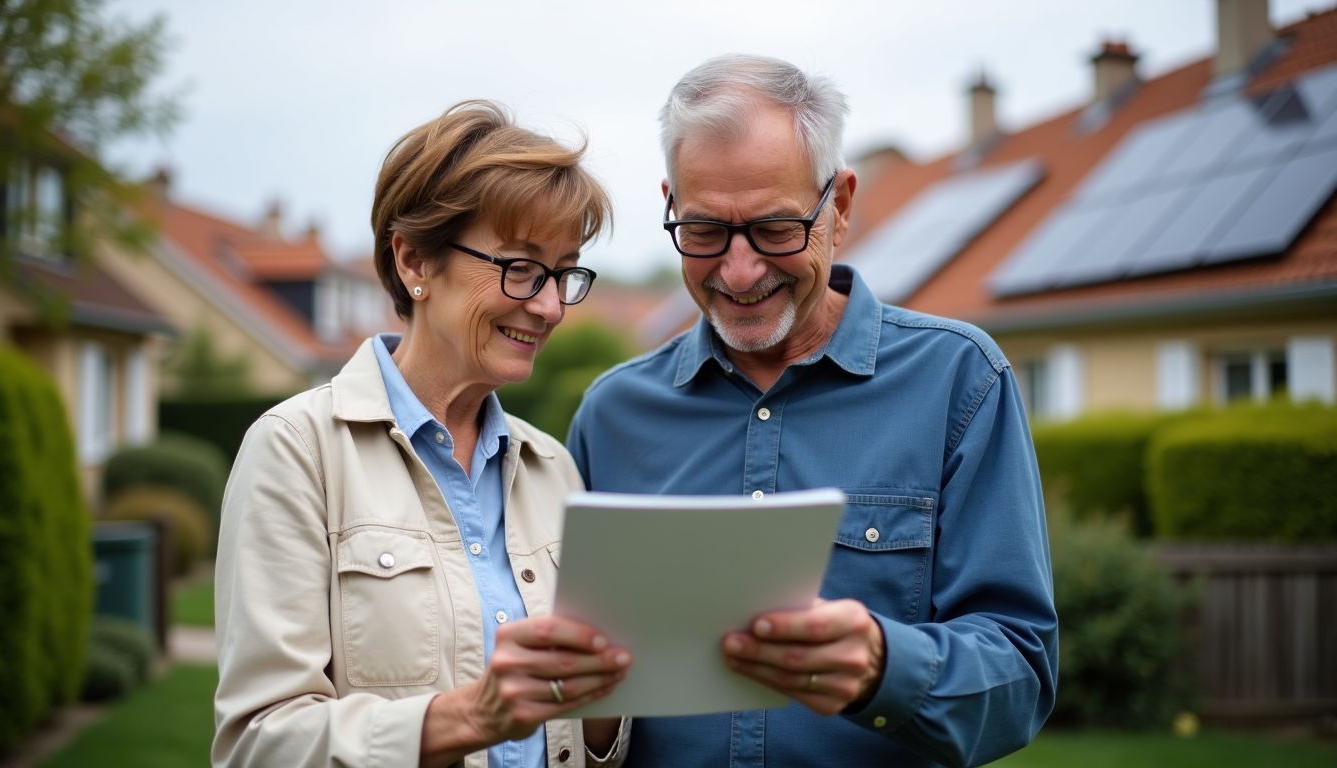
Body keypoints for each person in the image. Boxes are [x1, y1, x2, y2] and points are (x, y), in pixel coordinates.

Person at [567, 55, 1058, 767]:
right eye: (704, 230)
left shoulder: (959, 381)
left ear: (843, 206)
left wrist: (885, 667)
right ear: (671, 202)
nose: (739, 271)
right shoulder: (611, 414)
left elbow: (1020, 678)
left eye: (774, 229)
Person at [213, 100, 632, 768]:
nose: (551, 305)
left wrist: (606, 706)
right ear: (414, 262)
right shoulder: (296, 452)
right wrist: (466, 718)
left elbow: (579, 740)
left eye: (563, 272)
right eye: (520, 267)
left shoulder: (553, 466)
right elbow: (257, 744)